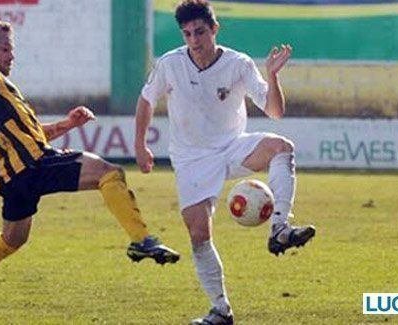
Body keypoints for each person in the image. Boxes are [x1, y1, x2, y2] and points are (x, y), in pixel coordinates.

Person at [0, 20, 180, 320]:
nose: (11, 56)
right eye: (5, 49)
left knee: (11, 240)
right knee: (109, 173)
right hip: (33, 166)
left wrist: (67, 125)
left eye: (11, 51)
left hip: (14, 178)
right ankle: (141, 240)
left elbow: (32, 136)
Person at [134, 1, 316, 323]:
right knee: (198, 235)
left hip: (233, 147)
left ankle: (280, 228)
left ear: (214, 29)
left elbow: (274, 112)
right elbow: (146, 100)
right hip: (191, 160)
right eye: (187, 33)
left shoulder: (238, 64)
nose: (194, 40)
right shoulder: (170, 64)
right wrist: (140, 144)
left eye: (200, 32)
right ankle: (220, 309)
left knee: (282, 147)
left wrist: (272, 76)